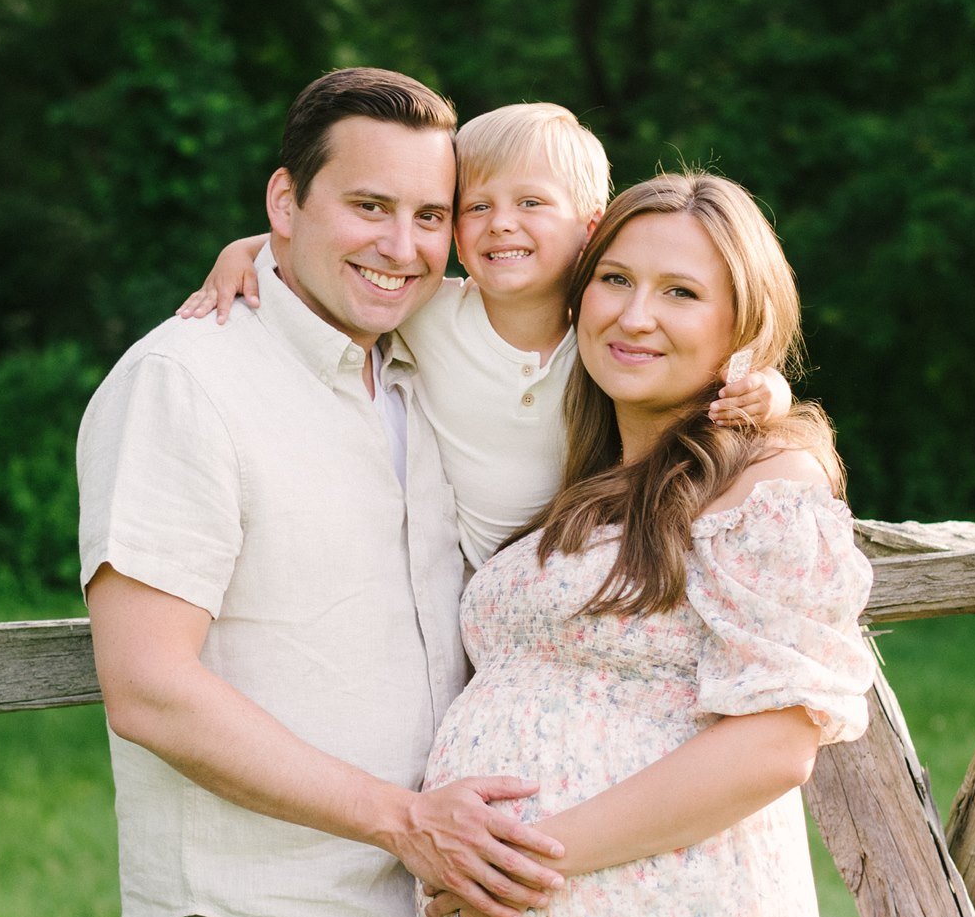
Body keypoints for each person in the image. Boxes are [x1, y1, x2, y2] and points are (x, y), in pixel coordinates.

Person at [76, 67, 571, 917]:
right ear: (282, 203)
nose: (402, 244)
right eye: (366, 205)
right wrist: (404, 821)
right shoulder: (184, 383)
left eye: (428, 215)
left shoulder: (423, 373)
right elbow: (148, 683)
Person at [409, 171, 878, 917]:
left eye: (679, 292)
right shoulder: (582, 478)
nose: (633, 313)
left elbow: (770, 744)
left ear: (742, 323)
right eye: (614, 277)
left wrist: (527, 861)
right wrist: (256, 262)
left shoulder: (768, 483)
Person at [179, 101, 792, 569]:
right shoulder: (428, 313)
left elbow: (714, 380)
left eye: (530, 203)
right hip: (462, 583)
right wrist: (247, 250)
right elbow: (334, 255)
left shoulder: (609, 340)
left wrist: (770, 391)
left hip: (583, 562)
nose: (501, 224)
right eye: (475, 207)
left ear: (592, 226)